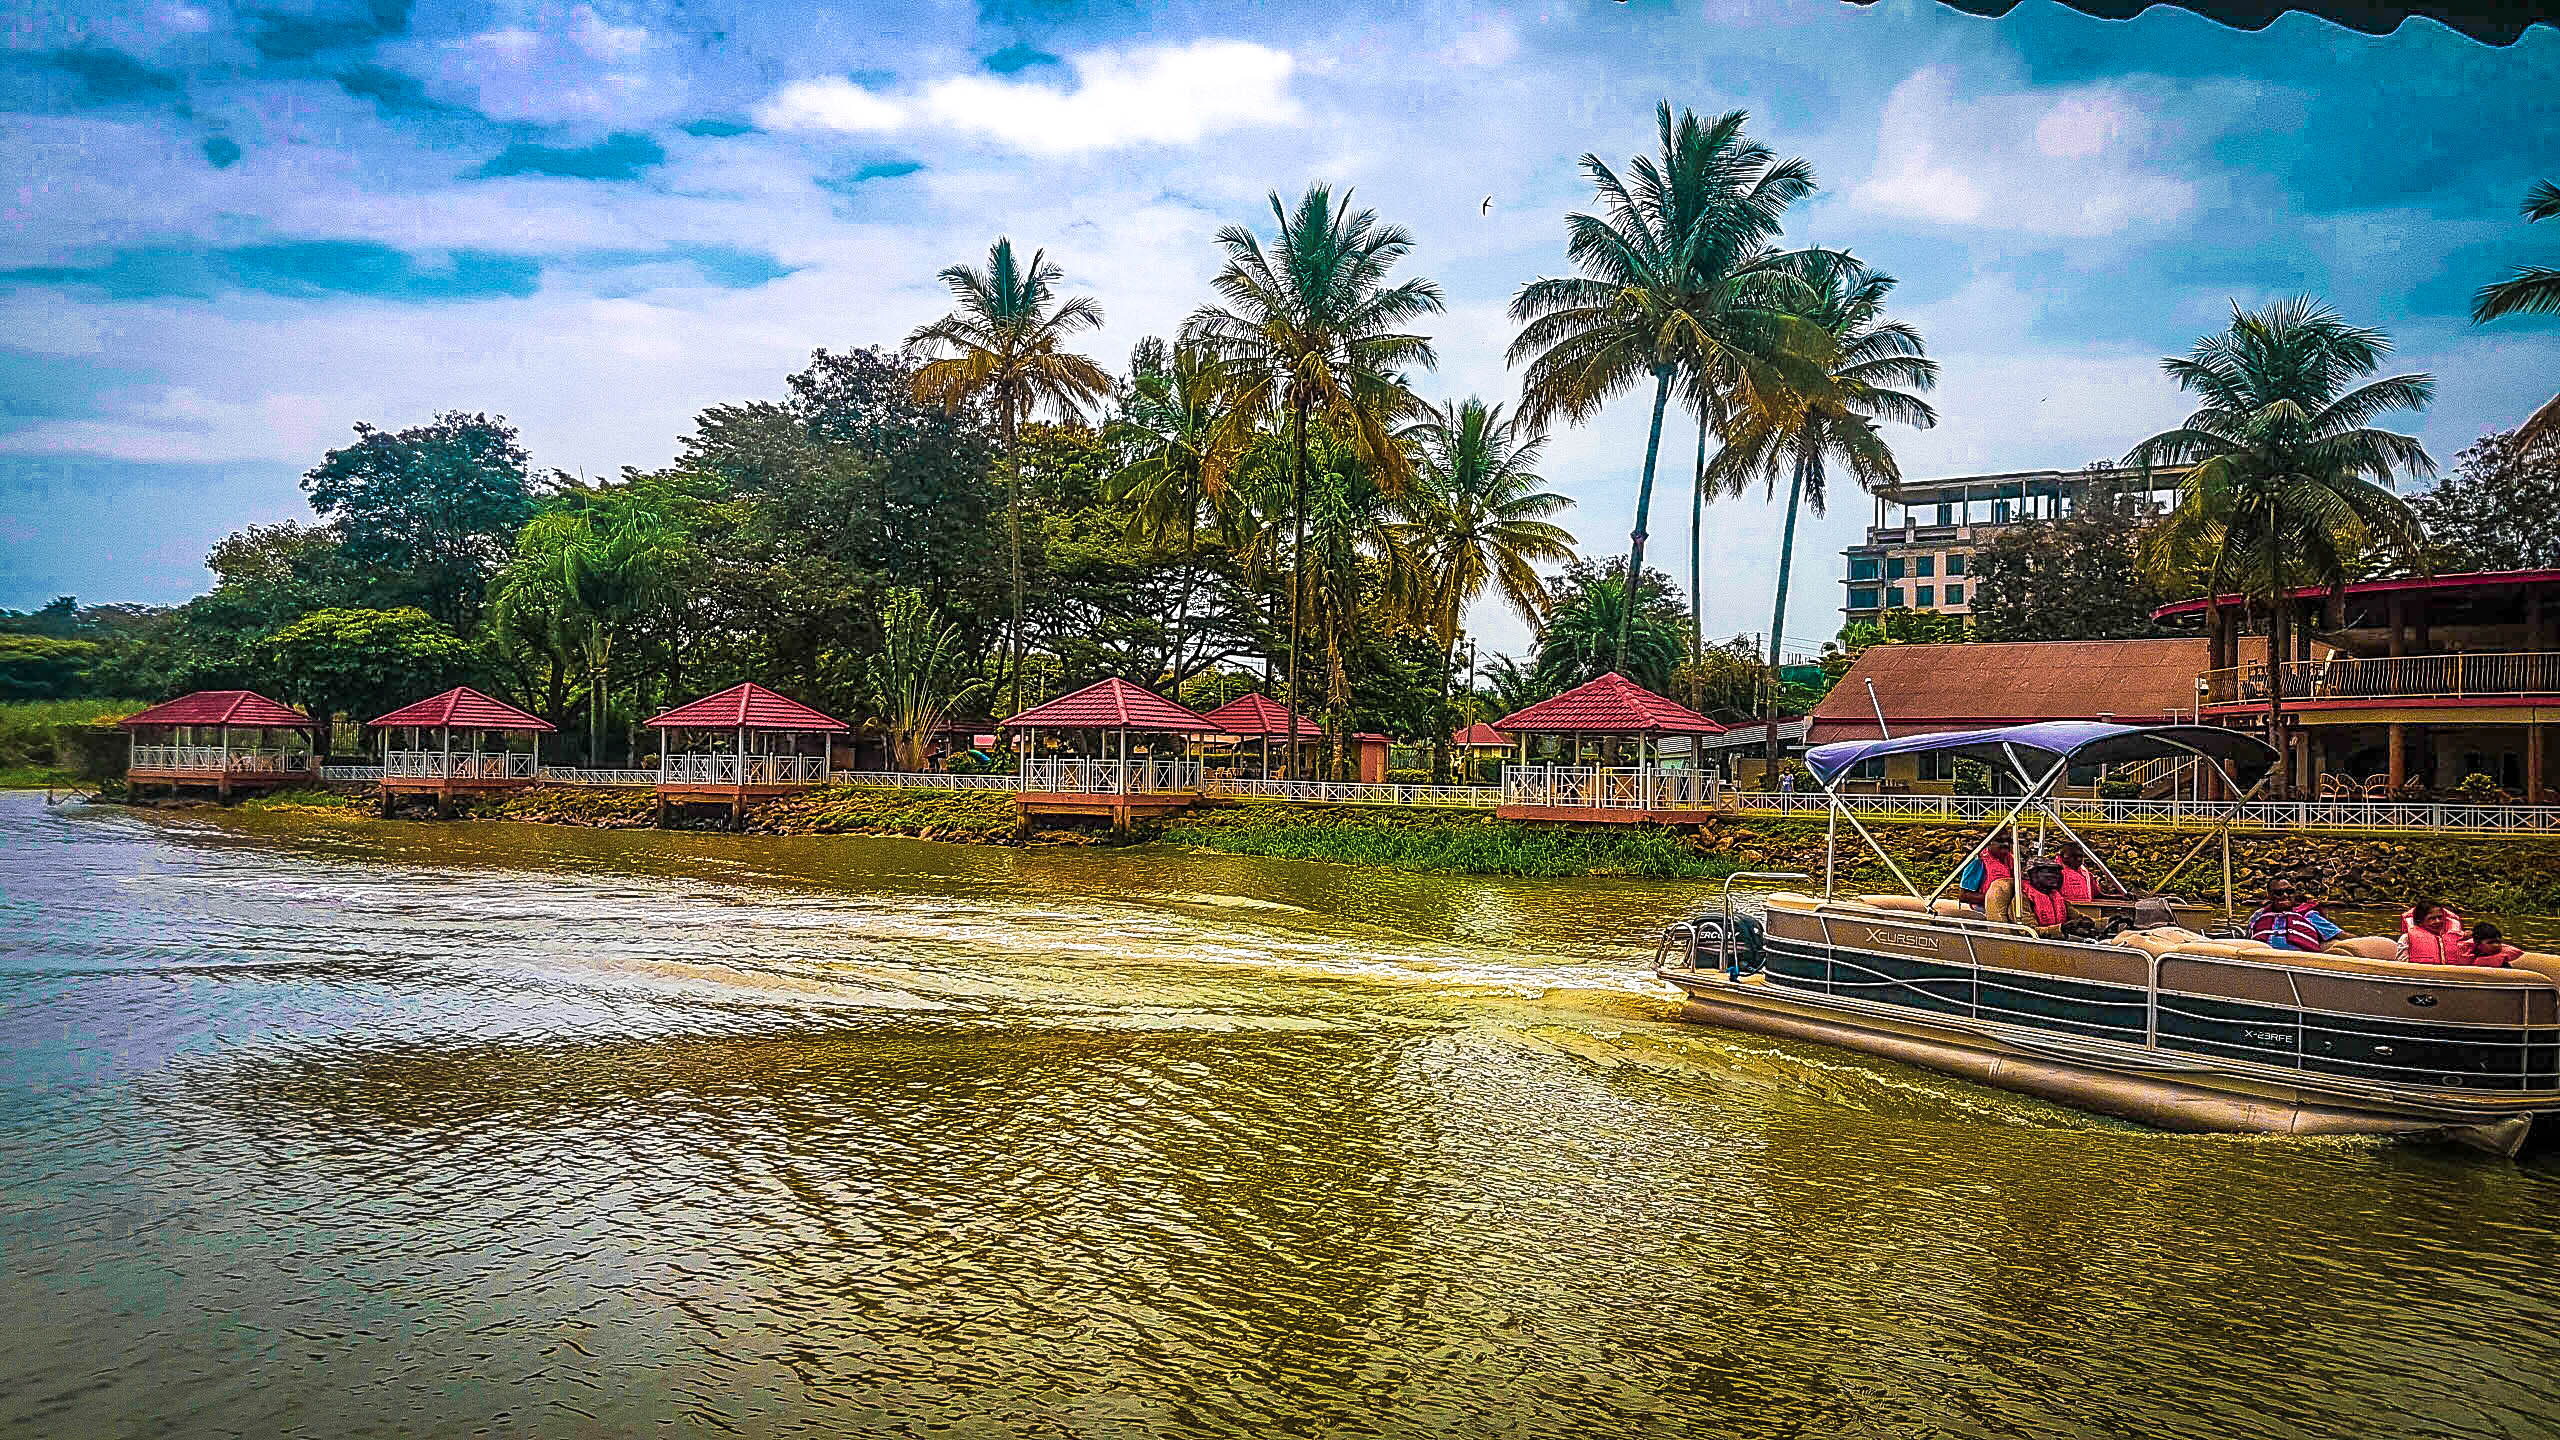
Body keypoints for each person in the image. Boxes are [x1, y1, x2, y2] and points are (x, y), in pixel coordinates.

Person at [2247, 881, 2344, 952]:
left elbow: (2340, 934)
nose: (2285, 895)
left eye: (2289, 891)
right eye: (2279, 893)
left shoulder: (2308, 915)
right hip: (2261, 960)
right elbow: (2248, 938)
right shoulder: (2258, 916)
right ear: (2269, 896)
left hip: (2298, 961)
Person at [2396, 901, 2473, 965]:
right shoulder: (2406, 938)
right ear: (2420, 921)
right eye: (2432, 918)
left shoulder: (2459, 936)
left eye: (2440, 917)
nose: (2438, 921)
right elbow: (2402, 965)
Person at [1957, 836, 2014, 905]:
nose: (2006, 844)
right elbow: (1963, 896)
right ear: (1989, 843)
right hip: (1984, 906)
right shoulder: (1978, 861)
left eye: (2008, 840)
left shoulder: (2011, 859)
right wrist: (1995, 897)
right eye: (2000, 841)